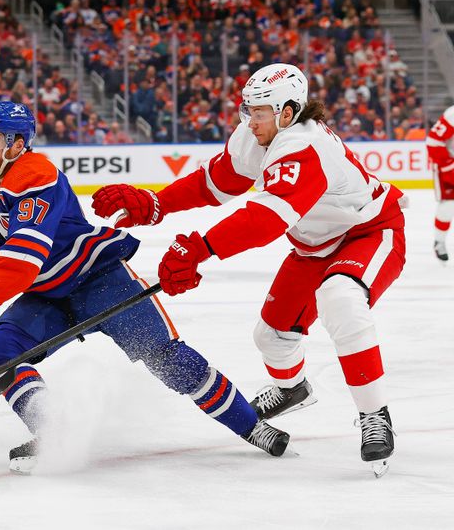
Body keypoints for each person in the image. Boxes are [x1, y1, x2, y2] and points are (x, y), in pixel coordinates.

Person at [0, 101, 290, 475]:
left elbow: (25, 254)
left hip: (101, 280)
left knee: (173, 362)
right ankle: (53, 429)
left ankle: (252, 426)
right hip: (48, 295)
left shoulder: (35, 173)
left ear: (17, 143)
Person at [92, 64, 406, 475]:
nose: (249, 119)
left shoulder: (303, 145)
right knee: (272, 337)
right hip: (313, 247)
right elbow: (215, 182)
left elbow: (266, 219)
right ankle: (293, 389)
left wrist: (201, 249)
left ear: (288, 112)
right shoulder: (259, 133)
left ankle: (374, 416)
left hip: (370, 232)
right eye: (248, 109)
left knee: (340, 297)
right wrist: (157, 204)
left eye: (259, 111)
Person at [425, 105, 454, 262]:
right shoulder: (452, 114)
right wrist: (448, 165)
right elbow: (433, 141)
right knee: (448, 205)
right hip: (448, 166)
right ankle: (439, 242)